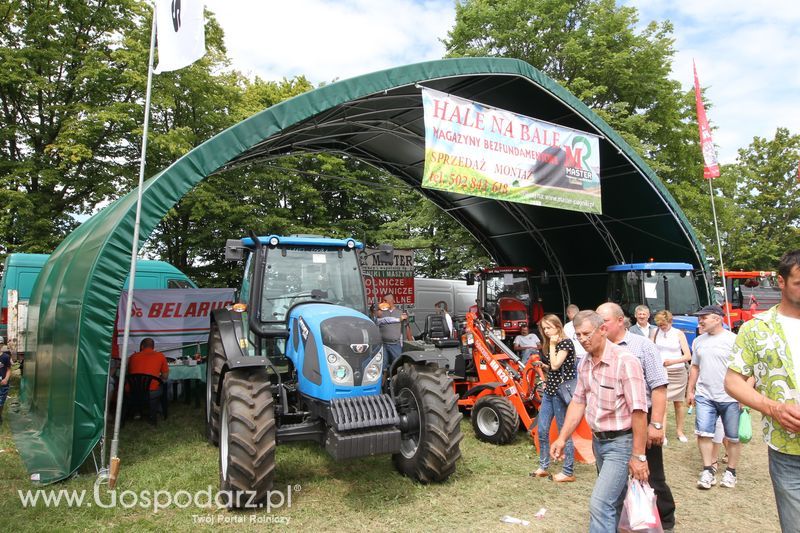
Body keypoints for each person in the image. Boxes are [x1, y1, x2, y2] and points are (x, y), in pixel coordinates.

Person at [551, 311, 649, 532]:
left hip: (620, 444)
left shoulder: (625, 361)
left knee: (601, 503)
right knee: (614, 502)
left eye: (587, 333)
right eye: (578, 335)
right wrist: (562, 437)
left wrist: (638, 455)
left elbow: (639, 411)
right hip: (599, 443)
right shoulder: (584, 363)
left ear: (602, 330)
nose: (583, 339)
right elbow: (577, 402)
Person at [725, 250, 800, 532]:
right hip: (788, 450)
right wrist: (774, 408)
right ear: (781, 281)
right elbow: (732, 382)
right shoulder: (756, 329)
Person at [596, 303, 675, 532]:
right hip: (613, 424)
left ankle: (664, 521)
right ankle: (622, 522)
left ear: (620, 320)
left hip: (643, 417)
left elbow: (659, 387)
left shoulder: (642, 346)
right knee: (613, 481)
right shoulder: (598, 348)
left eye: (605, 322)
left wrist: (656, 424)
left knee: (651, 476)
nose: (601, 327)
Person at [686, 304, 743, 490]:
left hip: (729, 396)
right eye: (699, 317)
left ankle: (731, 472)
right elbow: (695, 366)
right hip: (705, 395)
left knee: (733, 437)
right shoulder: (698, 341)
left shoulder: (734, 340)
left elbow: (744, 369)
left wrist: (743, 394)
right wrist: (690, 390)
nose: (700, 320)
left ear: (718, 319)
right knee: (704, 433)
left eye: (704, 317)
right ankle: (708, 470)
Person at [530, 315, 576, 482]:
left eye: (549, 327)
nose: (546, 331)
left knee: (564, 431)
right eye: (544, 328)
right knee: (542, 429)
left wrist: (553, 345)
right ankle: (543, 466)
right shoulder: (553, 343)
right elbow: (554, 367)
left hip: (560, 392)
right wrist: (544, 366)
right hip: (550, 391)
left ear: (558, 326)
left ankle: (568, 471)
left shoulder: (564, 342)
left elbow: (557, 365)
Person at [652, 310, 692, 443]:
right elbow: (651, 350)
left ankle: (679, 431)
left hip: (678, 371)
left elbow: (687, 355)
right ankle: (662, 434)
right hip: (661, 372)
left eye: (664, 325)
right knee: (663, 403)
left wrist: (672, 361)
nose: (661, 327)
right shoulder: (655, 332)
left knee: (678, 403)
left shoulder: (678, 333)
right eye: (659, 325)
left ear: (670, 322)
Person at [376, 293, 407, 369]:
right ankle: (384, 381)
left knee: (398, 366)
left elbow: (406, 328)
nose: (383, 302)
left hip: (395, 344)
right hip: (383, 344)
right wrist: (376, 315)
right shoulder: (381, 312)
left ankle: (395, 380)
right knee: (382, 367)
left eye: (385, 300)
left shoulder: (400, 312)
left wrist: (408, 341)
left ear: (391, 301)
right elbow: (378, 322)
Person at [0, 345, 11, 424]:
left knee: (1, 402)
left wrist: (6, 379)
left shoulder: (6, 357)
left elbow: (9, 369)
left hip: (3, 383)